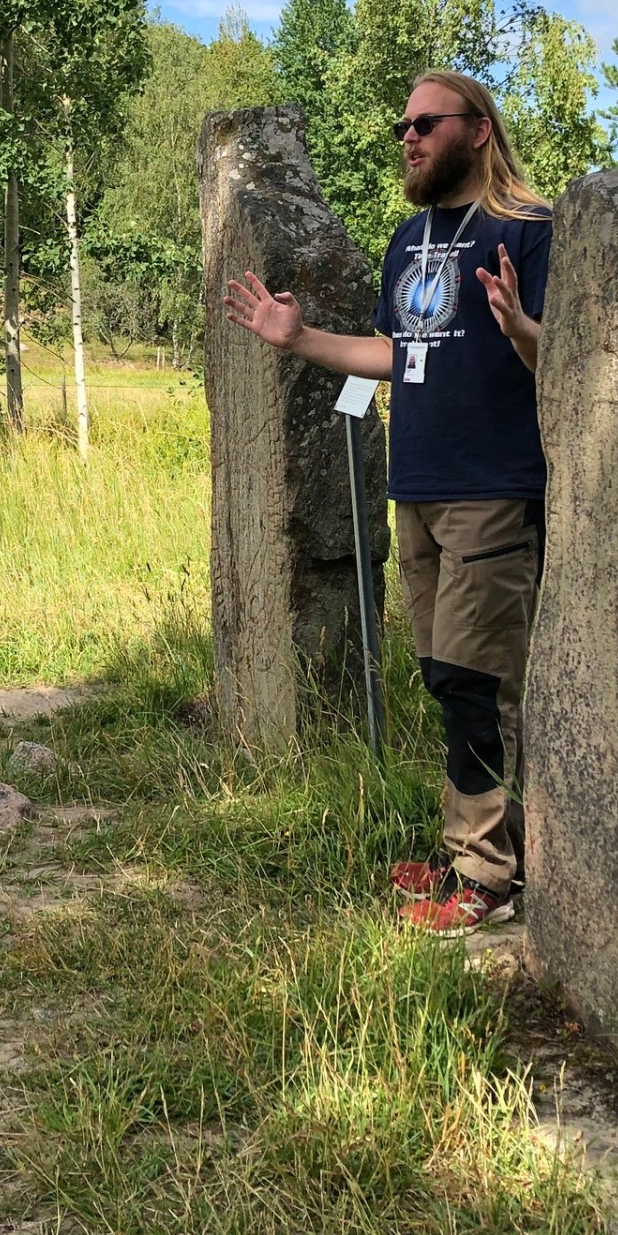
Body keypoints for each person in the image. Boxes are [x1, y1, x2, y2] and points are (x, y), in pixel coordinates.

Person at [224, 70, 549, 936]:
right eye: (401, 126)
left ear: (477, 131)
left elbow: (569, 357)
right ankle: (496, 850)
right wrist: (298, 339)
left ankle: (482, 878)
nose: (406, 138)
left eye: (423, 123)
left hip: (494, 487)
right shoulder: (409, 241)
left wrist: (521, 328)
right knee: (451, 683)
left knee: (471, 679)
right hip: (419, 485)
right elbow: (395, 351)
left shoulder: (535, 230)